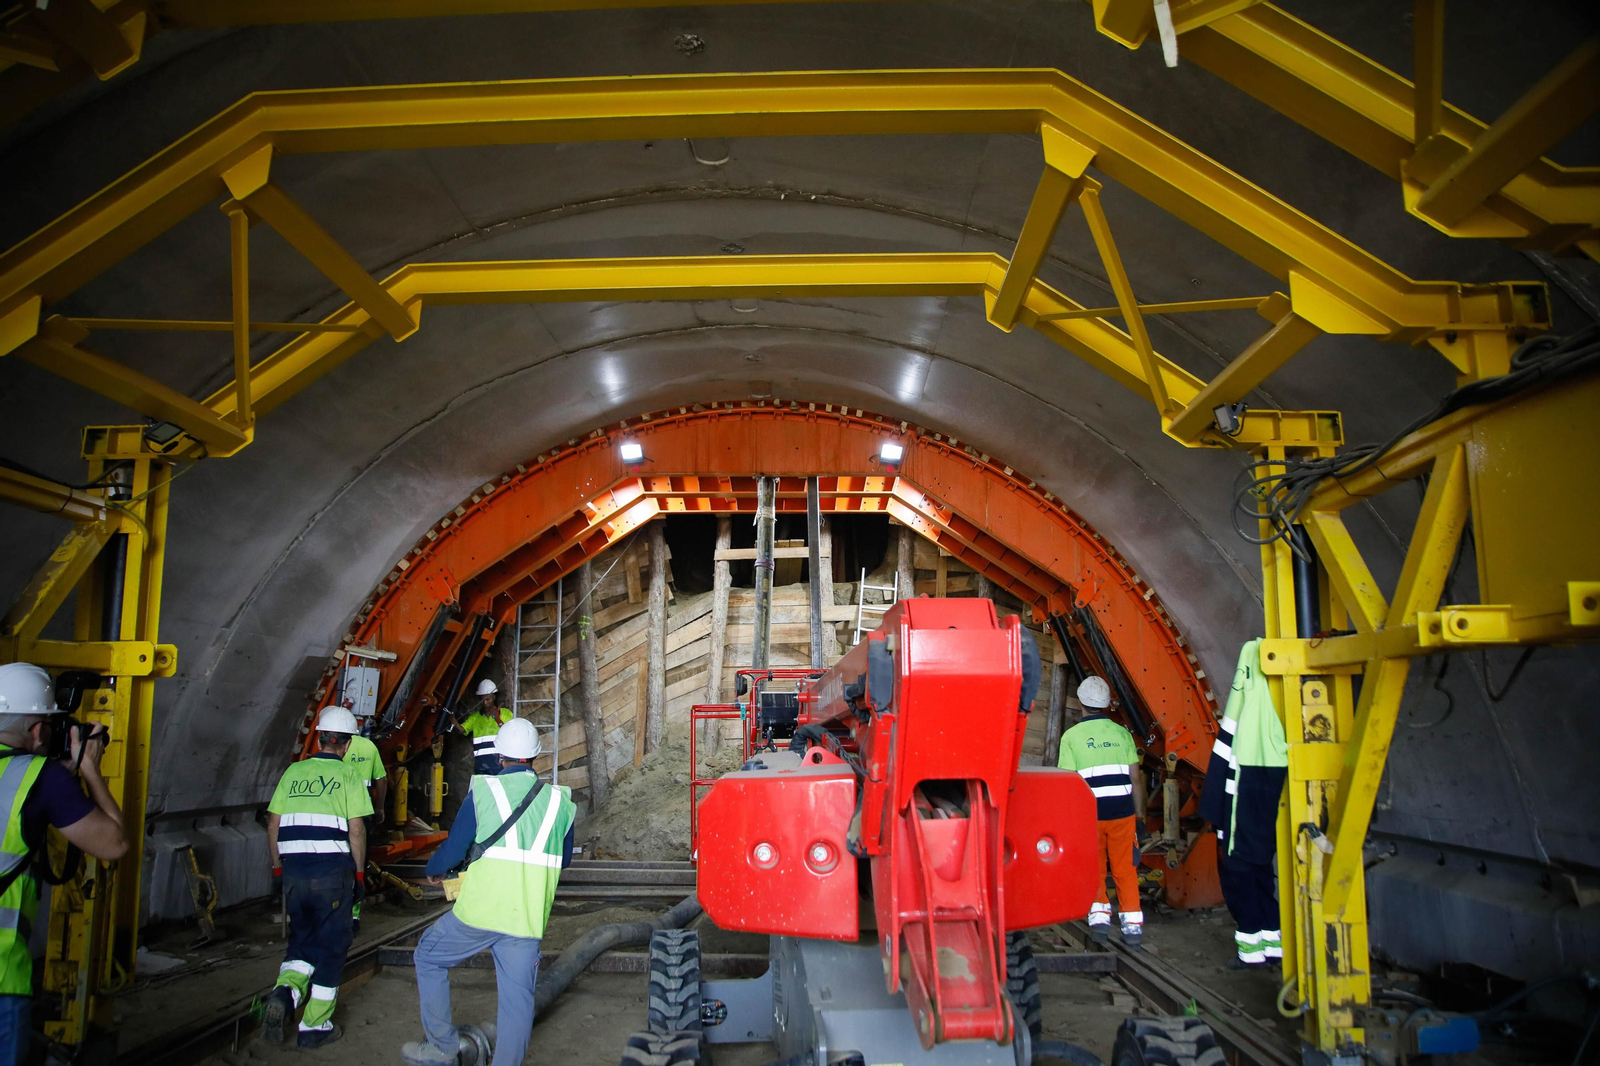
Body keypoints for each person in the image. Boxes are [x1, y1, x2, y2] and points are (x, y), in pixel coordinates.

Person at [400, 718, 575, 1066]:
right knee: (518, 1000)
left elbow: (454, 848)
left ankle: (442, 1048)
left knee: (428, 957)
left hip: (479, 913)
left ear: (500, 756)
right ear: (535, 757)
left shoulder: (484, 791)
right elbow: (564, 859)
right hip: (524, 917)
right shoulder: (560, 803)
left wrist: (436, 870)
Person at [0, 663, 129, 1066]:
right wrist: (88, 768)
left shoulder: (38, 779)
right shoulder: (39, 778)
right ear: (37, 730)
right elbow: (114, 844)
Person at [262, 706, 372, 1048]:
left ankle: (285, 995)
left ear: (321, 737)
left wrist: (279, 869)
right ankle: (314, 1027)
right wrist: (359, 875)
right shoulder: (350, 778)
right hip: (332, 874)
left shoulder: (293, 773)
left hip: (294, 874)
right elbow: (356, 830)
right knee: (332, 947)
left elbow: (272, 824)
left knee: (302, 941)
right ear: (347, 744)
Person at [1198, 638, 1288, 969]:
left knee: (1238, 875)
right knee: (1261, 873)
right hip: (1268, 788)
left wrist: (1214, 805)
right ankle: (1275, 946)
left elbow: (1227, 738)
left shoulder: (1252, 658)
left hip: (1240, 791)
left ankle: (1251, 951)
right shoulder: (1287, 688)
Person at [1057, 675, 1147, 948]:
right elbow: (1136, 780)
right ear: (1107, 704)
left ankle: (1099, 921)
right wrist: (1140, 817)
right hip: (1122, 813)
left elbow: (1068, 785)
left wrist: (1068, 822)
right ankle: (1132, 926)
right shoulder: (1122, 734)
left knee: (1094, 866)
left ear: (1082, 702)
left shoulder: (1071, 737)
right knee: (1125, 868)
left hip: (1089, 815)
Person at [459, 679, 514, 776]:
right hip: (481, 765)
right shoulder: (475, 717)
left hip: (500, 763)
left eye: (488, 699)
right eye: (482, 699)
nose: (485, 703)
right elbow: (462, 729)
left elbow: (511, 733)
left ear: (493, 697)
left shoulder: (505, 713)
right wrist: (451, 719)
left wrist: (499, 720)